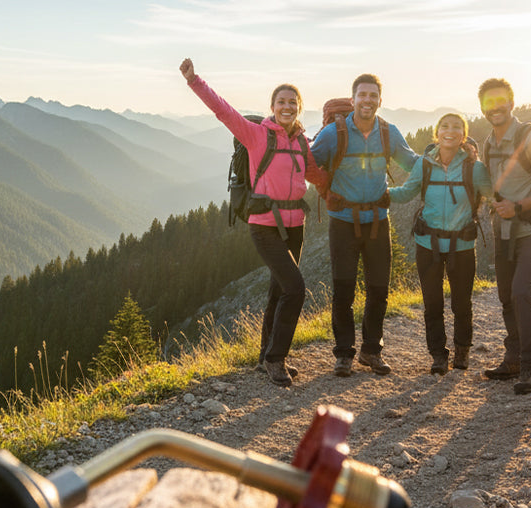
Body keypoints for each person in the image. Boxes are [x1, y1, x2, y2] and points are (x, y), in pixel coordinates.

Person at [180, 58, 329, 387]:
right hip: (264, 225)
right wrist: (195, 81)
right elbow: (224, 111)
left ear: (300, 108)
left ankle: (266, 355)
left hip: (295, 226)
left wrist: (345, 186)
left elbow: (316, 175)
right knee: (296, 288)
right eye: (281, 102)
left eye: (293, 102)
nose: (287, 106)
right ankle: (277, 359)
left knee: (279, 291)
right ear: (272, 107)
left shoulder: (303, 143)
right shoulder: (257, 135)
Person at [311, 74, 419, 377]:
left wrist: (450, 159)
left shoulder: (389, 133)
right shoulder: (334, 133)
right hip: (343, 222)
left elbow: (412, 163)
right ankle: (343, 354)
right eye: (363, 95)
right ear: (353, 98)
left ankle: (371, 351)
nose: (368, 101)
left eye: (373, 96)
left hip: (377, 222)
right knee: (343, 290)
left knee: (379, 289)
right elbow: (308, 163)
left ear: (380, 101)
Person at [478, 77, 531, 394]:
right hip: (503, 231)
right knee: (505, 297)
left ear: (512, 103)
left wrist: (518, 206)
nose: (496, 106)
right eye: (489, 102)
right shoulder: (488, 143)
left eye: (501, 100)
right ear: (483, 108)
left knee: (520, 293)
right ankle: (513, 358)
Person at [388, 114, 492, 374]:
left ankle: (462, 350)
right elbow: (405, 193)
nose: (450, 131)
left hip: (462, 246)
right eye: (445, 126)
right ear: (437, 133)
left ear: (463, 134)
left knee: (461, 303)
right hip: (428, 244)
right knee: (432, 303)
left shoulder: (474, 167)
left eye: (457, 127)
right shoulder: (423, 165)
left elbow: (494, 194)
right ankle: (437, 354)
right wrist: (378, 192)